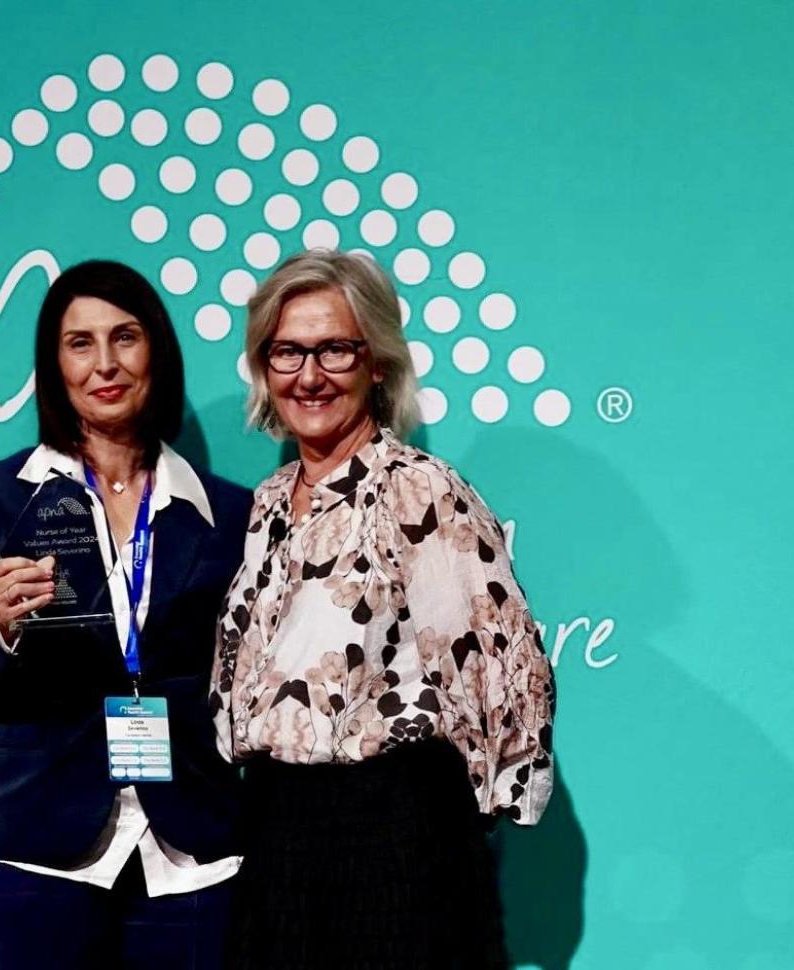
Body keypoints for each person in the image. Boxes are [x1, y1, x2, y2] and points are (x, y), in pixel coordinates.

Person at [213, 250, 556, 969]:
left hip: (396, 836)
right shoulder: (269, 504)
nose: (309, 375)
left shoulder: (419, 492)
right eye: (287, 352)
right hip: (281, 833)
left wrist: (455, 825)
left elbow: (506, 665)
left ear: (377, 363)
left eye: (335, 348)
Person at [0, 260, 248, 969]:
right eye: (80, 343)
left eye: (125, 337)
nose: (104, 363)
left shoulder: (228, 511)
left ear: (157, 353)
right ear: (55, 364)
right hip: (38, 845)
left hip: (190, 849)